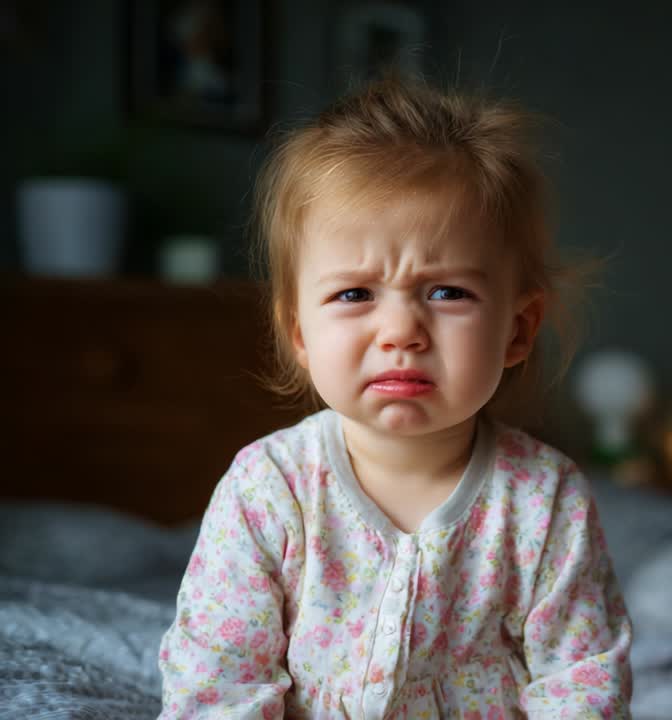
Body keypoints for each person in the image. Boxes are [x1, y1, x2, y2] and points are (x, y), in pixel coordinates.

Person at [158, 74, 632, 718]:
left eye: (447, 293)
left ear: (516, 329)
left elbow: (582, 683)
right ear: (301, 332)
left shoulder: (543, 500)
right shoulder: (269, 489)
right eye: (355, 294)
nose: (401, 331)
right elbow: (218, 685)